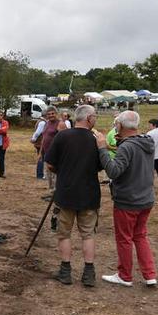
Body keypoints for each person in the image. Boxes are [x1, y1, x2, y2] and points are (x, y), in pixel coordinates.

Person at [94, 111, 158, 287]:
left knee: (124, 238)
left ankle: (124, 275)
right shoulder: (147, 141)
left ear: (120, 126)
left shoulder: (127, 147)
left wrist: (102, 148)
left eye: (117, 124)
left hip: (128, 200)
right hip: (146, 198)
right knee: (140, 236)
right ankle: (150, 275)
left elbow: (114, 171)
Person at [44, 105, 102, 287]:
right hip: (89, 193)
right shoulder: (96, 139)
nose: (96, 120)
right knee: (88, 235)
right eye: (95, 117)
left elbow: (50, 163)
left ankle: (65, 271)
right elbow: (102, 165)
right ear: (89, 118)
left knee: (64, 234)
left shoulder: (63, 136)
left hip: (66, 192)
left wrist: (64, 171)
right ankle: (89, 273)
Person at [40, 106, 61, 191]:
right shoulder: (47, 123)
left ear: (56, 114)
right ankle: (51, 191)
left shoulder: (60, 123)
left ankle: (57, 193)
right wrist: (40, 153)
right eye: (49, 114)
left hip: (56, 154)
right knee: (48, 173)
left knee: (55, 174)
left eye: (53, 113)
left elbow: (66, 138)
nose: (51, 115)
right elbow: (44, 138)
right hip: (46, 153)